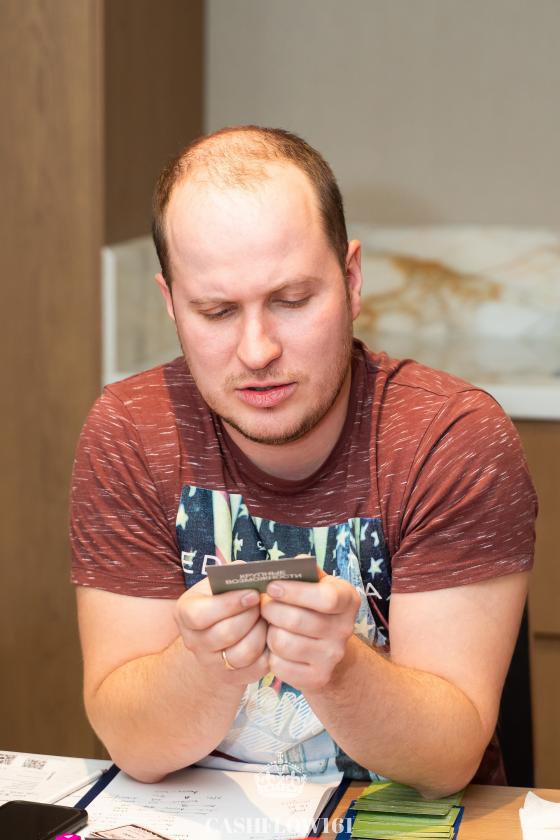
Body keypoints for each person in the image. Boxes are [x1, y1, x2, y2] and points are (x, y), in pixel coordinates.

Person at [71, 126, 537, 798]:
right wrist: (203, 666)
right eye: (216, 311)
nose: (257, 350)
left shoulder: (452, 440)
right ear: (171, 303)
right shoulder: (131, 433)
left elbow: (446, 761)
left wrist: (339, 667)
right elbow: (133, 744)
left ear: (351, 281)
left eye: (291, 302)